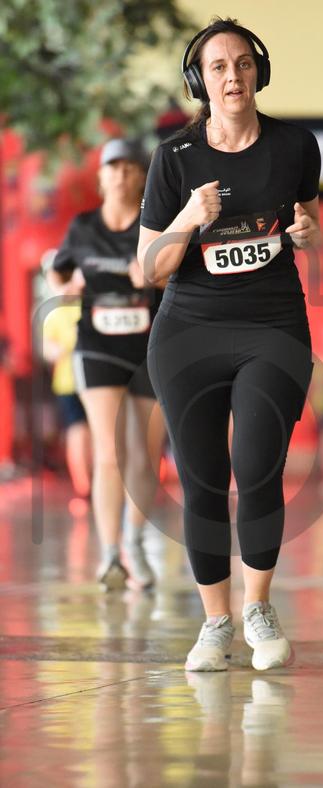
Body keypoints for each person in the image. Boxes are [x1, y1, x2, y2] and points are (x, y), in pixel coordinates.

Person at [138, 18, 320, 670]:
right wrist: (188, 218)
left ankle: (259, 609)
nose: (233, 76)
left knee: (258, 464)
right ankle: (216, 623)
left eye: (242, 63)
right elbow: (148, 268)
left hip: (273, 327)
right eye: (218, 66)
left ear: (258, 72)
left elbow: (306, 221)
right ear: (200, 81)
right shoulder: (175, 158)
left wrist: (309, 235)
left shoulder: (295, 146)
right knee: (203, 480)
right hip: (188, 335)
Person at [48, 138, 166, 591]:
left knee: (145, 454)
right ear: (100, 177)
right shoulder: (82, 227)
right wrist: (63, 285)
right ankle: (110, 555)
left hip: (150, 349)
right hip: (97, 347)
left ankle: (135, 541)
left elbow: (181, 274)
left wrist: (153, 275)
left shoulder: (155, 225)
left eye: (129, 167)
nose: (120, 175)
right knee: (109, 453)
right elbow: (57, 269)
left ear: (142, 177)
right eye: (112, 167)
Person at [42, 298, 92, 501]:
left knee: (83, 432)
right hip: (74, 383)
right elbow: (49, 351)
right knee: (81, 432)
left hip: (83, 382)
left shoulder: (60, 313)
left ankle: (86, 484)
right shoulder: (59, 314)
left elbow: (49, 351)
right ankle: (84, 483)